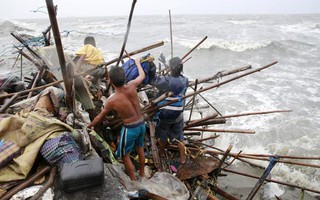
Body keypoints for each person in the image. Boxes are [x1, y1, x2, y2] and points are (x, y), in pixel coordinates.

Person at [87, 58, 146, 181]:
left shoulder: (111, 100)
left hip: (130, 129)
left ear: (110, 81)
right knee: (140, 149)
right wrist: (138, 63)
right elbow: (142, 75)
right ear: (125, 78)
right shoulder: (132, 85)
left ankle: (134, 181)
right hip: (141, 124)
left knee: (125, 156)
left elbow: (100, 116)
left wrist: (89, 125)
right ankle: (142, 174)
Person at [150, 56, 188, 166]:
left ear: (171, 69)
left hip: (166, 113)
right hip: (178, 113)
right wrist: (166, 65)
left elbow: (154, 80)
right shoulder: (185, 80)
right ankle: (182, 158)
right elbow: (176, 80)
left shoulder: (166, 81)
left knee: (163, 133)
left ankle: (161, 153)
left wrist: (151, 67)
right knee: (180, 136)